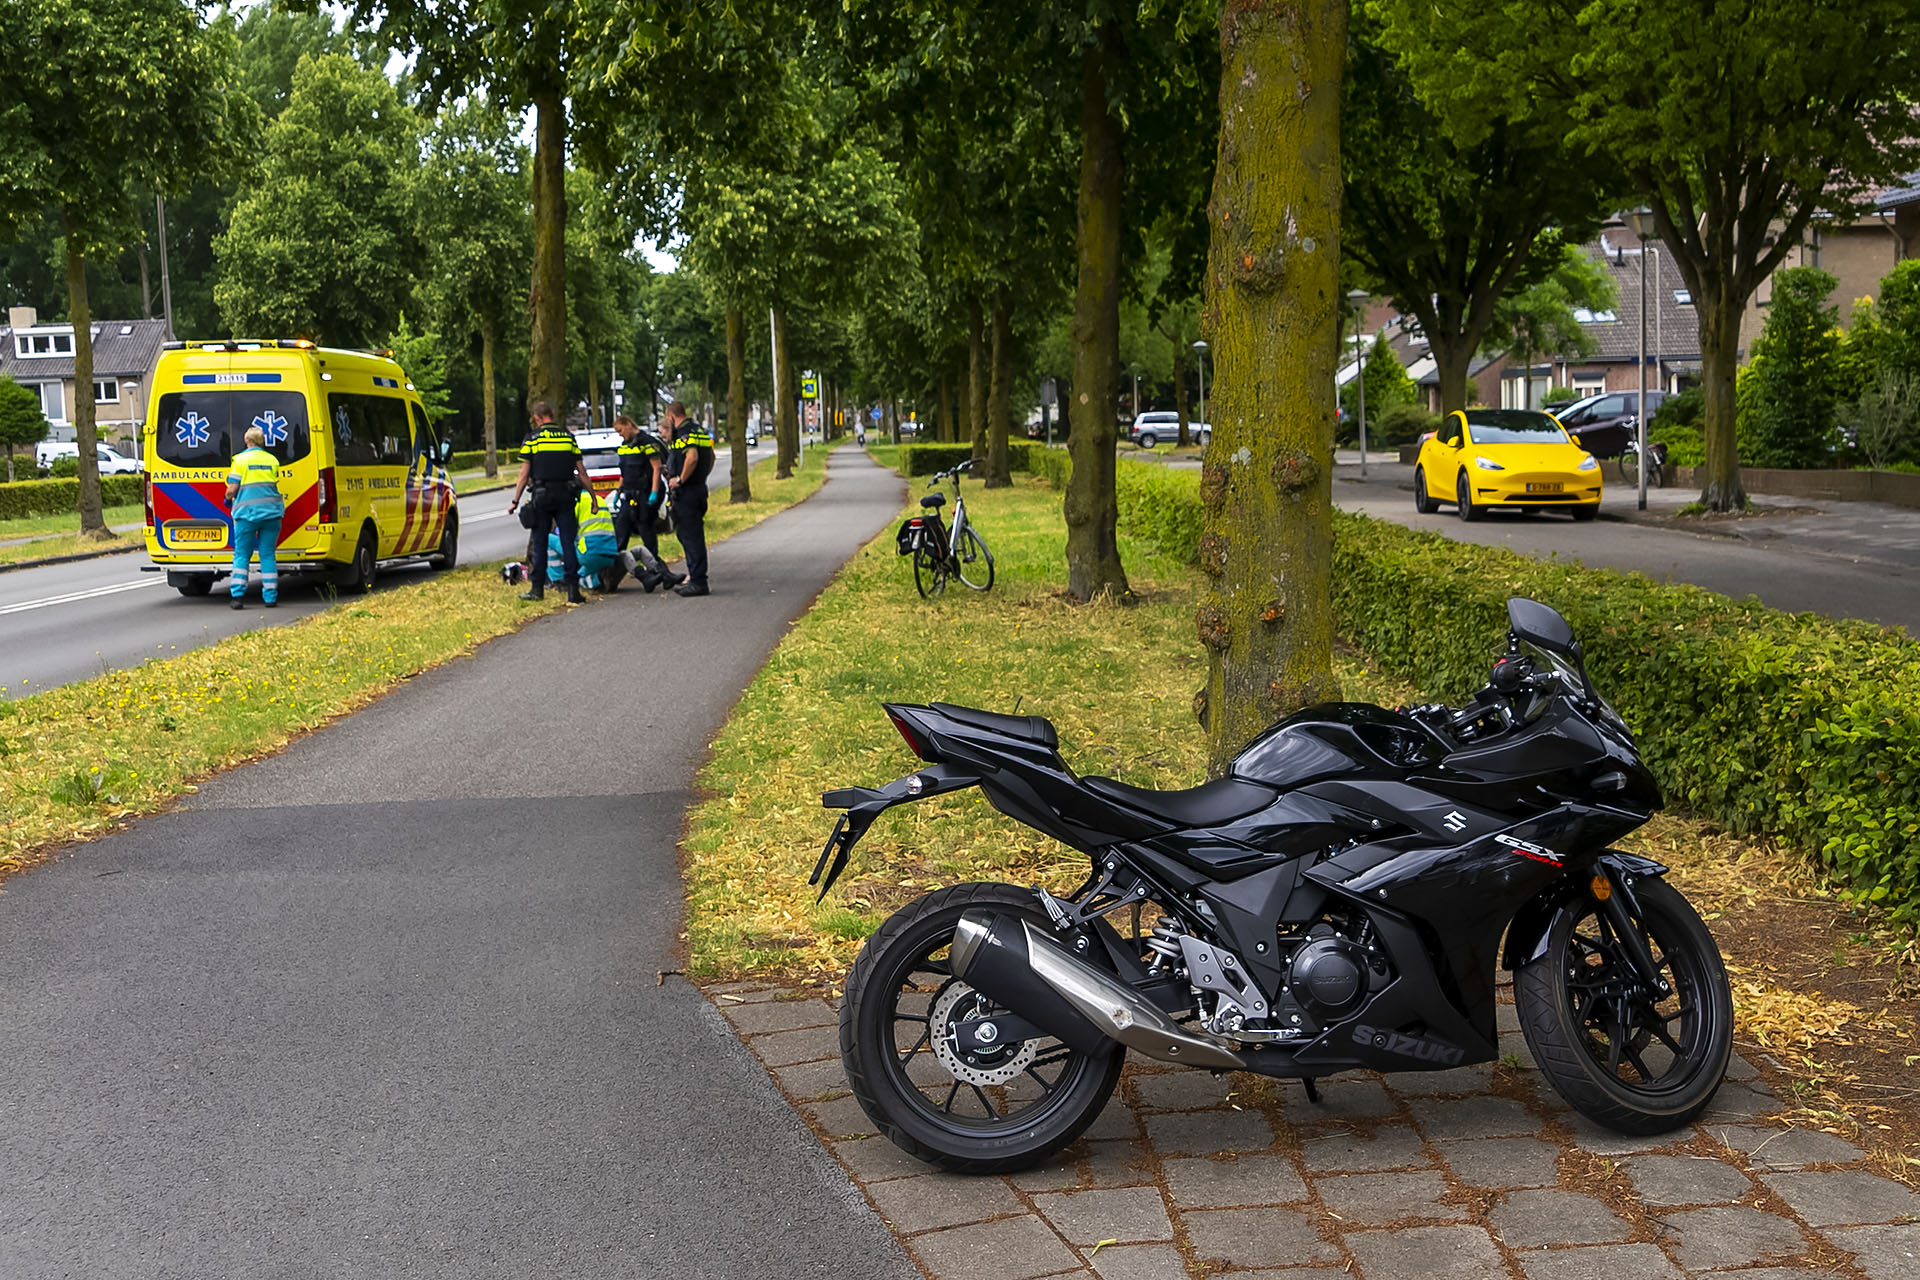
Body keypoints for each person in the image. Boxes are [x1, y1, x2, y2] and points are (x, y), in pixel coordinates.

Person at [508, 401, 596, 603]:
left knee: (540, 543)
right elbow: (582, 472)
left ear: (538, 418)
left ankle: (537, 590)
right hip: (566, 496)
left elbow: (524, 474)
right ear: (552, 415)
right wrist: (593, 498)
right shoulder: (568, 438)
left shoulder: (532, 439)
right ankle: (573, 591)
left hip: (542, 496)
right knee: (568, 542)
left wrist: (515, 500)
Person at [611, 414, 679, 591]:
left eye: (620, 430)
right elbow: (624, 472)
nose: (619, 434)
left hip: (645, 493)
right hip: (629, 495)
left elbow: (656, 468)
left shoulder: (646, 441)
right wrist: (619, 491)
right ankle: (612, 578)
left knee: (647, 534)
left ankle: (662, 574)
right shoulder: (625, 446)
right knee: (620, 532)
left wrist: (654, 492)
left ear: (628, 424)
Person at [225, 424, 285, 610]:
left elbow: (232, 489)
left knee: (242, 555)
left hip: (247, 515)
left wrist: (227, 498)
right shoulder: (272, 460)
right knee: (267, 555)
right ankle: (270, 597)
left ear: (246, 440)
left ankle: (237, 597)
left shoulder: (240, 460)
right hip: (272, 514)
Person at [663, 400, 714, 597]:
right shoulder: (699, 430)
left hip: (687, 493)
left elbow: (691, 457)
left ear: (671, 416)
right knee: (692, 535)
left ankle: (698, 582)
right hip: (699, 489)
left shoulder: (683, 433)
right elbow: (710, 457)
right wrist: (702, 477)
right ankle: (696, 578)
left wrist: (681, 479)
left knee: (691, 537)